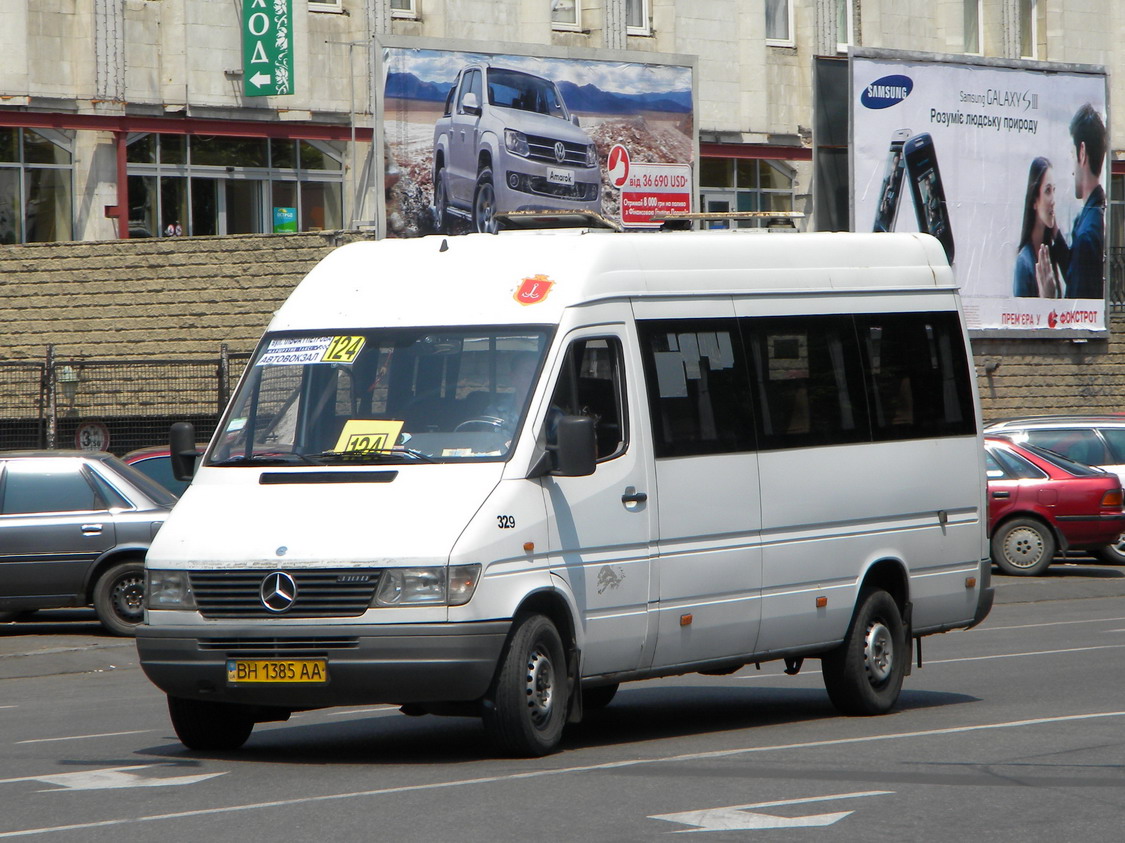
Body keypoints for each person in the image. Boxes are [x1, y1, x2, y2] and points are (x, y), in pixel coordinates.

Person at [1056, 103, 1107, 299]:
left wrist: (1050, 295)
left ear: (1082, 153)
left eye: (1072, 155)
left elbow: (1079, 305)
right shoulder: (1092, 214)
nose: (1071, 169)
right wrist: (1056, 236)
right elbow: (1076, 271)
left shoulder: (1087, 232)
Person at [1013, 157, 1063, 297]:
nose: (1053, 200)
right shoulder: (1024, 263)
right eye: (1047, 191)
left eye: (1054, 190)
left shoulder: (1050, 253)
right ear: (1034, 201)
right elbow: (1021, 315)